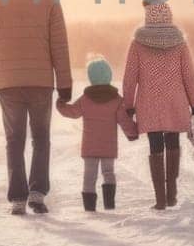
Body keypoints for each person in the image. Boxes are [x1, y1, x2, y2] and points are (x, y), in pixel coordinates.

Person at [0, 0, 72, 215]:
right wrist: (64, 85)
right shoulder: (50, 3)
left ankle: (18, 198)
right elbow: (60, 48)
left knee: (14, 139)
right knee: (41, 138)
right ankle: (37, 193)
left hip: (8, 84)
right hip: (41, 83)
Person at [121, 0, 194, 210]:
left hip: (149, 102)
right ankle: (172, 194)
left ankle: (160, 200)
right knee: (173, 143)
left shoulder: (138, 41)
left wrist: (128, 107)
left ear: (147, 11)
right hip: (175, 101)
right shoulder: (179, 40)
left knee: (155, 145)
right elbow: (189, 76)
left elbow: (130, 78)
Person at [57, 56, 138, 212]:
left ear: (91, 77)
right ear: (109, 76)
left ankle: (89, 208)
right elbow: (124, 121)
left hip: (90, 147)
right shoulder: (117, 100)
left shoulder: (85, 99)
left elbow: (73, 112)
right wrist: (132, 133)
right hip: (108, 147)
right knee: (108, 173)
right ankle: (109, 205)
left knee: (89, 176)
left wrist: (60, 105)